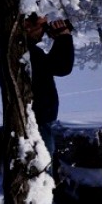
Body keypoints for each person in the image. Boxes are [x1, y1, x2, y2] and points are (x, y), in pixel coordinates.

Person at [22, 13, 75, 156]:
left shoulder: (22, 51)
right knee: (43, 169)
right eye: (42, 26)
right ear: (27, 25)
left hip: (34, 121)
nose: (45, 31)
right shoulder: (28, 53)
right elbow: (61, 67)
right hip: (37, 123)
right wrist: (63, 37)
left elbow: (51, 65)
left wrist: (60, 40)